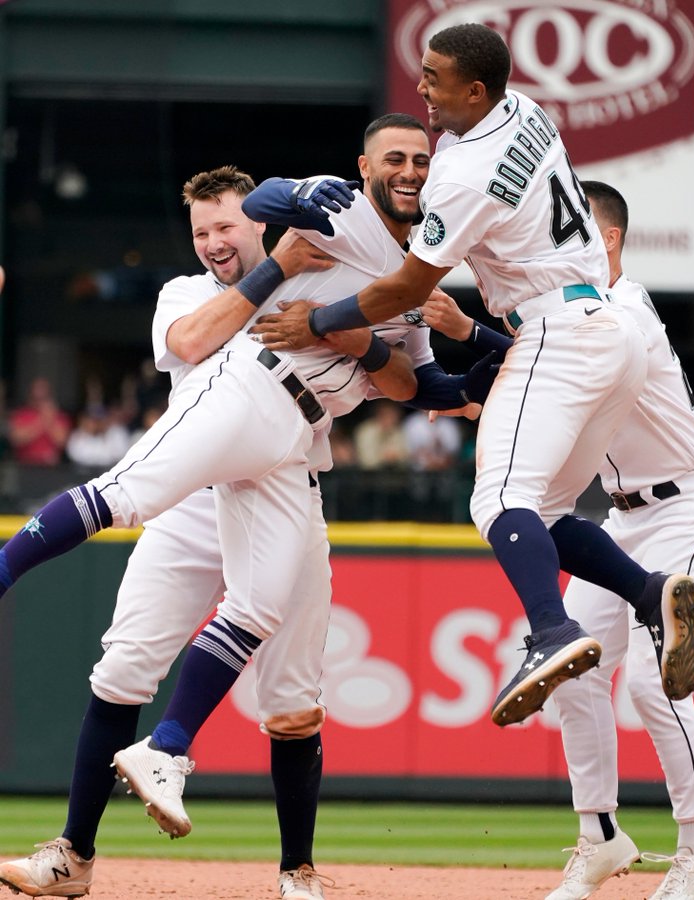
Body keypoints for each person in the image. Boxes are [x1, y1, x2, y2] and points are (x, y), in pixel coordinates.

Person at [0, 116, 481, 900]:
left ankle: (271, 846)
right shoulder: (200, 284)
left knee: (288, 682)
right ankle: (73, 854)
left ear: (252, 228)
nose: (215, 239)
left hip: (291, 454)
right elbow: (194, 341)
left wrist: (476, 353)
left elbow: (414, 382)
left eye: (226, 225)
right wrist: (286, 237)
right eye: (203, 229)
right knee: (123, 657)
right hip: (205, 474)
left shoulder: (393, 275)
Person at [249, 23, 694, 727]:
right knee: (544, 513)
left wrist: (315, 321)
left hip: (558, 332)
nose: (422, 85)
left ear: (476, 90)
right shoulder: (526, 112)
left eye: (434, 77)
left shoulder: (461, 174)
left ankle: (552, 633)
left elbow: (401, 291)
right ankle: (650, 595)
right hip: (607, 330)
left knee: (495, 500)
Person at [544, 183, 694, 900]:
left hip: (687, 501)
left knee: (655, 680)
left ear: (605, 240)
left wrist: (476, 337)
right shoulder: (576, 314)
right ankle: (601, 837)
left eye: (564, 232)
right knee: (573, 666)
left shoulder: (627, 308)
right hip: (621, 517)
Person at [7, 376, 72, 466]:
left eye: (43, 390)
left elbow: (62, 442)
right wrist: (42, 420)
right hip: (25, 465)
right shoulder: (21, 414)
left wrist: (50, 420)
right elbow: (16, 439)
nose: (40, 394)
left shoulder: (59, 416)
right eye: (37, 389)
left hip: (51, 466)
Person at [354, 398, 409, 469]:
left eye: (393, 414)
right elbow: (366, 460)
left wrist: (396, 457)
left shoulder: (398, 431)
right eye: (387, 413)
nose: (391, 418)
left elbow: (407, 458)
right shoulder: (366, 431)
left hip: (395, 474)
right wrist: (384, 457)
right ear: (379, 413)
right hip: (369, 476)